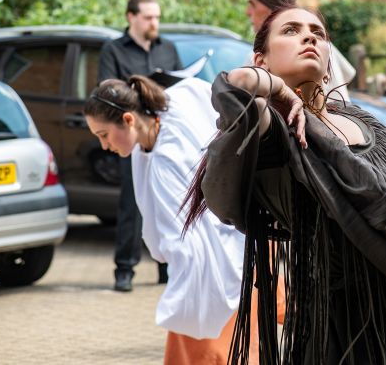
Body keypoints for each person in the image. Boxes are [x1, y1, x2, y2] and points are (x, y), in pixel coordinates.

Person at [184, 5, 386, 364]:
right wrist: (277, 89)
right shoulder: (270, 130)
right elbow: (236, 88)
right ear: (260, 60)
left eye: (318, 33)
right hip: (343, 326)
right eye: (291, 31)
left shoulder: (362, 120)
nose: (309, 36)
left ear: (329, 61)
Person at [83, 75, 258, 363]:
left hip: (209, 279)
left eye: (103, 135)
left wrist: (180, 301)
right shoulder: (170, 108)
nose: (104, 146)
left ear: (128, 119)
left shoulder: (166, 163)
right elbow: (197, 90)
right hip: (236, 260)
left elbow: (187, 243)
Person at [98, 0, 183, 291]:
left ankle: (166, 267)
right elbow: (107, 93)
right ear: (131, 17)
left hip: (164, 134)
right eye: (148, 17)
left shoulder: (168, 48)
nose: (154, 22)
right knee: (133, 203)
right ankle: (124, 270)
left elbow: (180, 86)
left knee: (168, 200)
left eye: (157, 17)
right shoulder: (113, 50)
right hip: (131, 136)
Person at [246, 0, 356, 101]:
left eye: (252, 5)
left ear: (270, 7)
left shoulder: (320, 47)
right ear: (261, 62)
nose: (247, 12)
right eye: (291, 31)